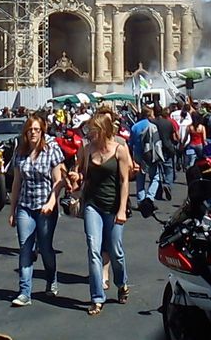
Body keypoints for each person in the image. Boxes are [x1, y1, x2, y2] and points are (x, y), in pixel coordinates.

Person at [69, 112, 132, 316]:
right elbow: (81, 173)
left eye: (93, 131)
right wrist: (75, 175)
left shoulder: (119, 150)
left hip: (113, 206)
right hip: (92, 205)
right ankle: (97, 297)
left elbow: (124, 181)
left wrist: (122, 209)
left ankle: (121, 283)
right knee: (93, 249)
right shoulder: (87, 150)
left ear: (103, 131)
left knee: (116, 251)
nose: (89, 134)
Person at [8, 114, 65, 307]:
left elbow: (59, 181)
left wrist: (51, 202)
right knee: (25, 248)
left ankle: (51, 278)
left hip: (45, 207)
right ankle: (25, 292)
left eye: (36, 130)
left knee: (45, 247)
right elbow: (16, 182)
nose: (33, 133)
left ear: (42, 131)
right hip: (25, 205)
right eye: (30, 130)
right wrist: (12, 210)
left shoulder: (51, 149)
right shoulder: (20, 152)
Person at [127, 106, 163, 215]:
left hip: (138, 155)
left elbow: (131, 143)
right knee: (155, 177)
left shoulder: (135, 127)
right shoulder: (152, 126)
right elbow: (157, 143)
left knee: (140, 178)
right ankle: (150, 197)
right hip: (150, 155)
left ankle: (141, 201)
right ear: (148, 115)